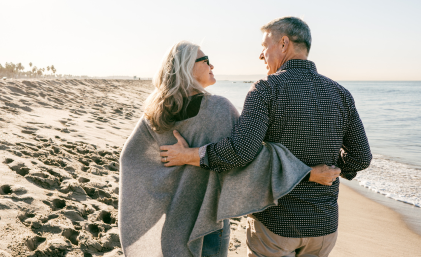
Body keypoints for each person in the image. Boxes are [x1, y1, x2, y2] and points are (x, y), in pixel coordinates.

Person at [160, 17, 372, 257]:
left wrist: (191, 155)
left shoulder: (266, 89)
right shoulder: (341, 94)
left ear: (283, 44)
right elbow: (362, 157)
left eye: (264, 46)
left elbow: (241, 153)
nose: (261, 55)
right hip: (324, 227)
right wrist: (334, 170)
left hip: (276, 225)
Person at [118, 40, 340, 257]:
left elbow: (130, 159)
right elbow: (250, 158)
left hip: (172, 221)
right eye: (205, 60)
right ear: (186, 67)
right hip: (206, 224)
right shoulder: (218, 109)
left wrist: (169, 174)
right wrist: (308, 173)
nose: (212, 65)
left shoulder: (155, 112)